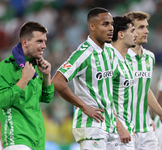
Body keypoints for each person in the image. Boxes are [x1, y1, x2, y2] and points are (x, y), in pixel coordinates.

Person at [52, 7, 120, 150]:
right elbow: (57, 81)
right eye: (105, 24)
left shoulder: (110, 51)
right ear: (92, 26)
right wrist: (84, 106)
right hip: (91, 127)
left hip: (110, 125)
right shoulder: (84, 53)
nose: (111, 28)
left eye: (111, 24)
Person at [0, 21, 54, 150]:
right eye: (39, 41)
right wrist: (24, 78)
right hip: (16, 138)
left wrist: (47, 75)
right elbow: (2, 101)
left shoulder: (36, 67)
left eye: (45, 41)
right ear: (25, 42)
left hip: (37, 139)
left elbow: (47, 98)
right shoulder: (5, 67)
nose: (44, 46)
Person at [125, 11, 162, 150]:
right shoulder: (117, 57)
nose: (147, 31)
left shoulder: (149, 57)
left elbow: (144, 89)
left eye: (146, 26)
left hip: (146, 127)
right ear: (130, 31)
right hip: (124, 128)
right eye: (141, 27)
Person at [107, 15, 138, 149]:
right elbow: (102, 97)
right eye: (132, 31)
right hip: (114, 133)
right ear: (120, 34)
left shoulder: (126, 61)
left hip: (127, 131)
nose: (136, 34)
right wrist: (120, 127)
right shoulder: (108, 60)